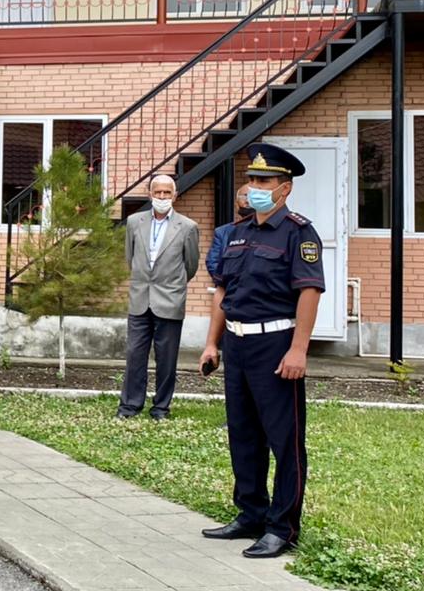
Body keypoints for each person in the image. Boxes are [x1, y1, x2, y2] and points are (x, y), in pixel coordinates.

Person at [199, 144, 325, 560]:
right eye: (252, 179)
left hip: (276, 345)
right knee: (244, 435)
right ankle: (250, 514)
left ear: (284, 188)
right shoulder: (237, 233)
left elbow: (309, 291)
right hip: (237, 342)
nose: (254, 187)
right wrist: (212, 343)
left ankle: (282, 527)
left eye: (264, 181)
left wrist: (298, 350)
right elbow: (224, 292)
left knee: (284, 439)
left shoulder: (299, 232)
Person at [118, 175, 200, 420]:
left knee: (166, 359)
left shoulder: (187, 227)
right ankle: (129, 406)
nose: (162, 197)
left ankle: (161, 407)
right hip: (140, 299)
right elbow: (129, 257)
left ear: (175, 195)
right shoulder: (134, 222)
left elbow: (191, 265)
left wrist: (172, 287)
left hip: (170, 301)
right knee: (135, 355)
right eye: (158, 192)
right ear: (149, 194)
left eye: (167, 193)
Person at [206, 184, 253, 279]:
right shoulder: (222, 232)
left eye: (252, 197)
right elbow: (213, 263)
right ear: (236, 205)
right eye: (244, 196)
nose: (248, 201)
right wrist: (227, 283)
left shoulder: (269, 230)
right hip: (229, 289)